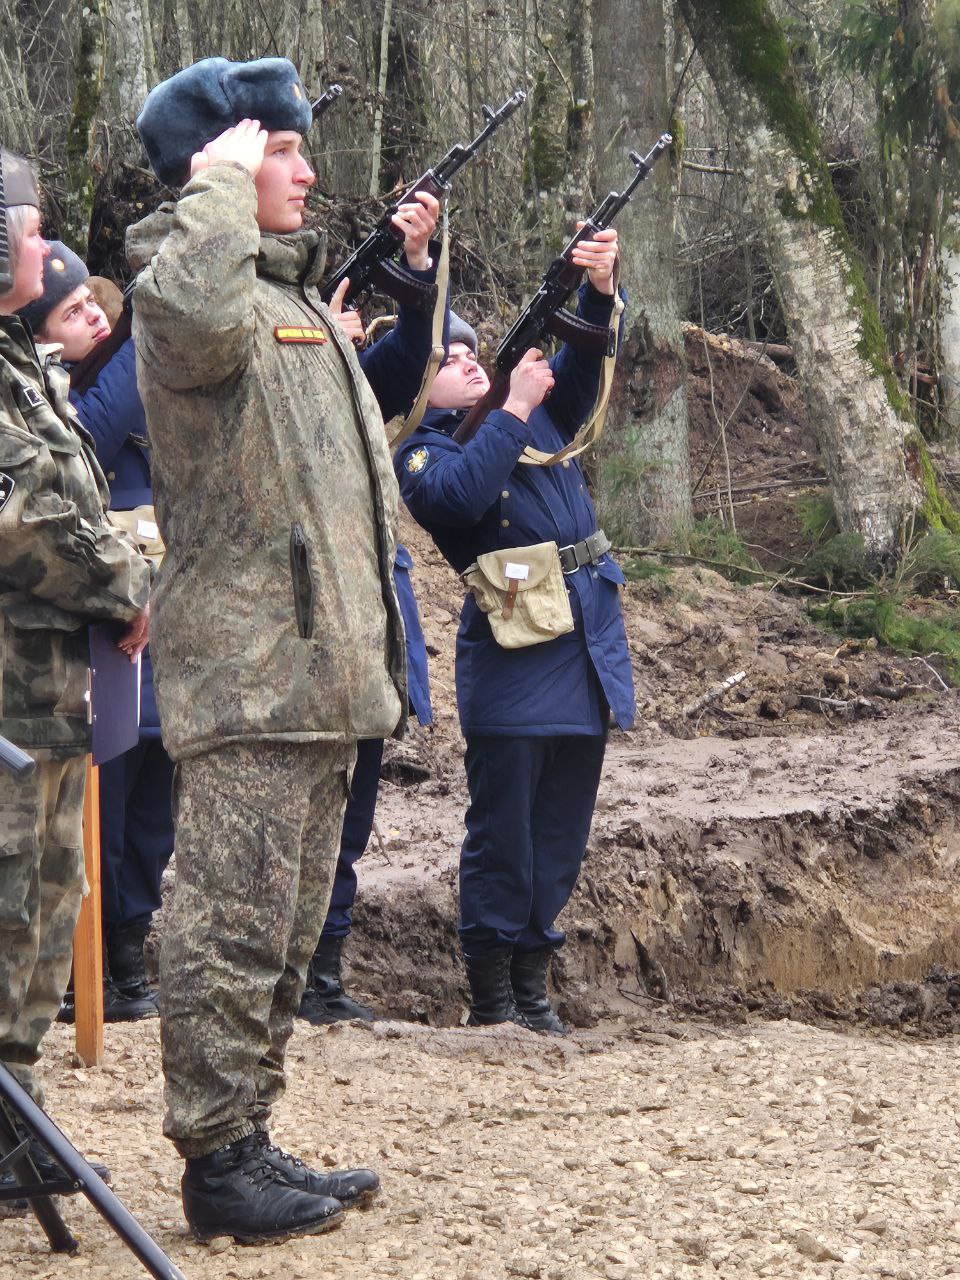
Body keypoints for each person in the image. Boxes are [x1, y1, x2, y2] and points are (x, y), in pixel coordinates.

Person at [128, 56, 439, 1244]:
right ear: (220, 165)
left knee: (286, 931)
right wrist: (215, 186)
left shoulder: (291, 298)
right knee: (225, 923)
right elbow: (194, 314)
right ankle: (214, 1156)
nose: (308, 173)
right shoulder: (186, 288)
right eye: (284, 153)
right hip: (252, 676)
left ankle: (250, 1132)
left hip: (317, 678)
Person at [395, 233, 634, 1035]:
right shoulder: (425, 454)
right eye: (448, 361)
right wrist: (513, 407)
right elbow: (458, 501)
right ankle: (494, 998)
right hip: (514, 661)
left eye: (473, 355)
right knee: (505, 839)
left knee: (560, 837)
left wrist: (597, 292)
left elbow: (586, 366)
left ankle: (534, 984)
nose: (466, 362)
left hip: (585, 648)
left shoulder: (526, 422)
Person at [0, 147, 151, 1197]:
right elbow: (22, 524)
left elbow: (76, 502)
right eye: (30, 223)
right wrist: (124, 583)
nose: (45, 245)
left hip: (53, 699)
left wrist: (124, 578)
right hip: (11, 695)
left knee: (51, 901)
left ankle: (16, 1117)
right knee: (8, 901)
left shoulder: (20, 363)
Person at [19, 241, 168, 1024]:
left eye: (94, 308)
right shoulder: (50, 396)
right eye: (73, 311)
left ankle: (127, 954)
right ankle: (90, 970)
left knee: (152, 798)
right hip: (81, 633)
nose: (92, 318)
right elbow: (96, 435)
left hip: (145, 615)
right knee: (95, 807)